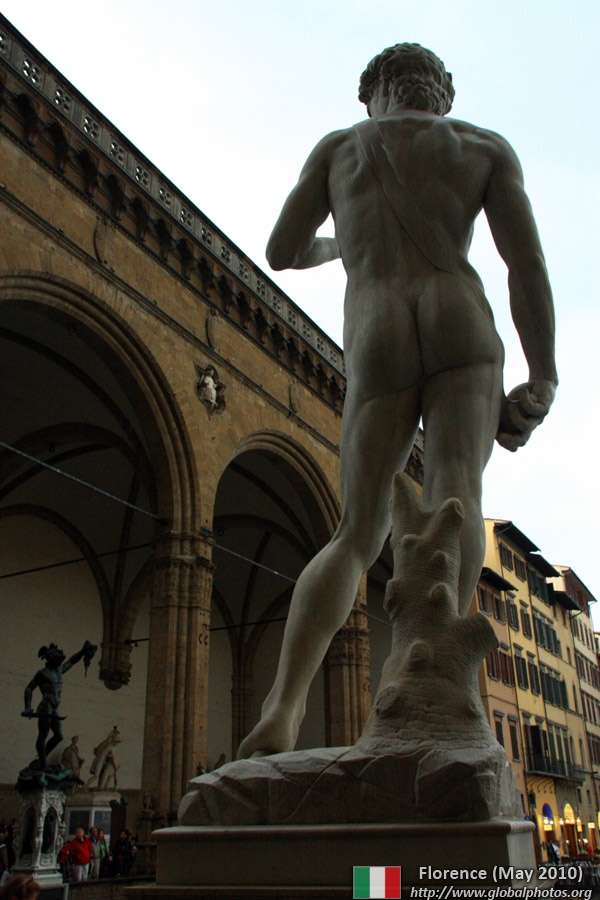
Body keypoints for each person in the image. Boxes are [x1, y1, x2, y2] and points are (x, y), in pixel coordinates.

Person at [238, 42, 557, 759]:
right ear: (440, 94)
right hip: (459, 317)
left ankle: (282, 710)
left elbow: (282, 249)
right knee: (456, 496)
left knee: (356, 532)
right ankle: (446, 684)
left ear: (375, 91)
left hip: (377, 324)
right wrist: (544, 374)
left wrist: (338, 247)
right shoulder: (481, 147)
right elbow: (525, 263)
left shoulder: (339, 149)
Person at [22, 641, 96, 768]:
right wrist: (27, 707)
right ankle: (42, 763)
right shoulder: (42, 673)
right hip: (45, 706)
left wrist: (82, 651)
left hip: (54, 707)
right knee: (43, 734)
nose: (59, 663)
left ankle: (42, 758)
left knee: (59, 736)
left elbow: (72, 661)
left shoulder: (58, 671)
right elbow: (29, 688)